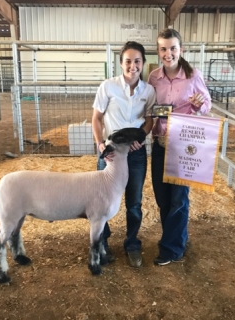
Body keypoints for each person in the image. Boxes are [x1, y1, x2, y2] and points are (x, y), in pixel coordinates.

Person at [148, 28, 212, 266]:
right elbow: (148, 106)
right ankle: (176, 239)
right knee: (162, 197)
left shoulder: (193, 75)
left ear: (181, 50)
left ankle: (171, 249)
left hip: (184, 145)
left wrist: (198, 105)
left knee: (179, 199)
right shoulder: (153, 77)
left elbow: (206, 103)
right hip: (160, 144)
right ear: (158, 51)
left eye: (173, 48)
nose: (168, 53)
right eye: (163, 49)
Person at [92, 41, 156, 268]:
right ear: (121, 63)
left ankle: (132, 245)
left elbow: (149, 121)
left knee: (134, 202)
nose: (133, 66)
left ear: (143, 64)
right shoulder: (108, 87)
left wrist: (142, 138)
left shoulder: (149, 91)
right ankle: (102, 244)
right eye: (128, 61)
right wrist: (100, 144)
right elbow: (97, 119)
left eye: (137, 61)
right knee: (103, 200)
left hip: (135, 154)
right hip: (110, 153)